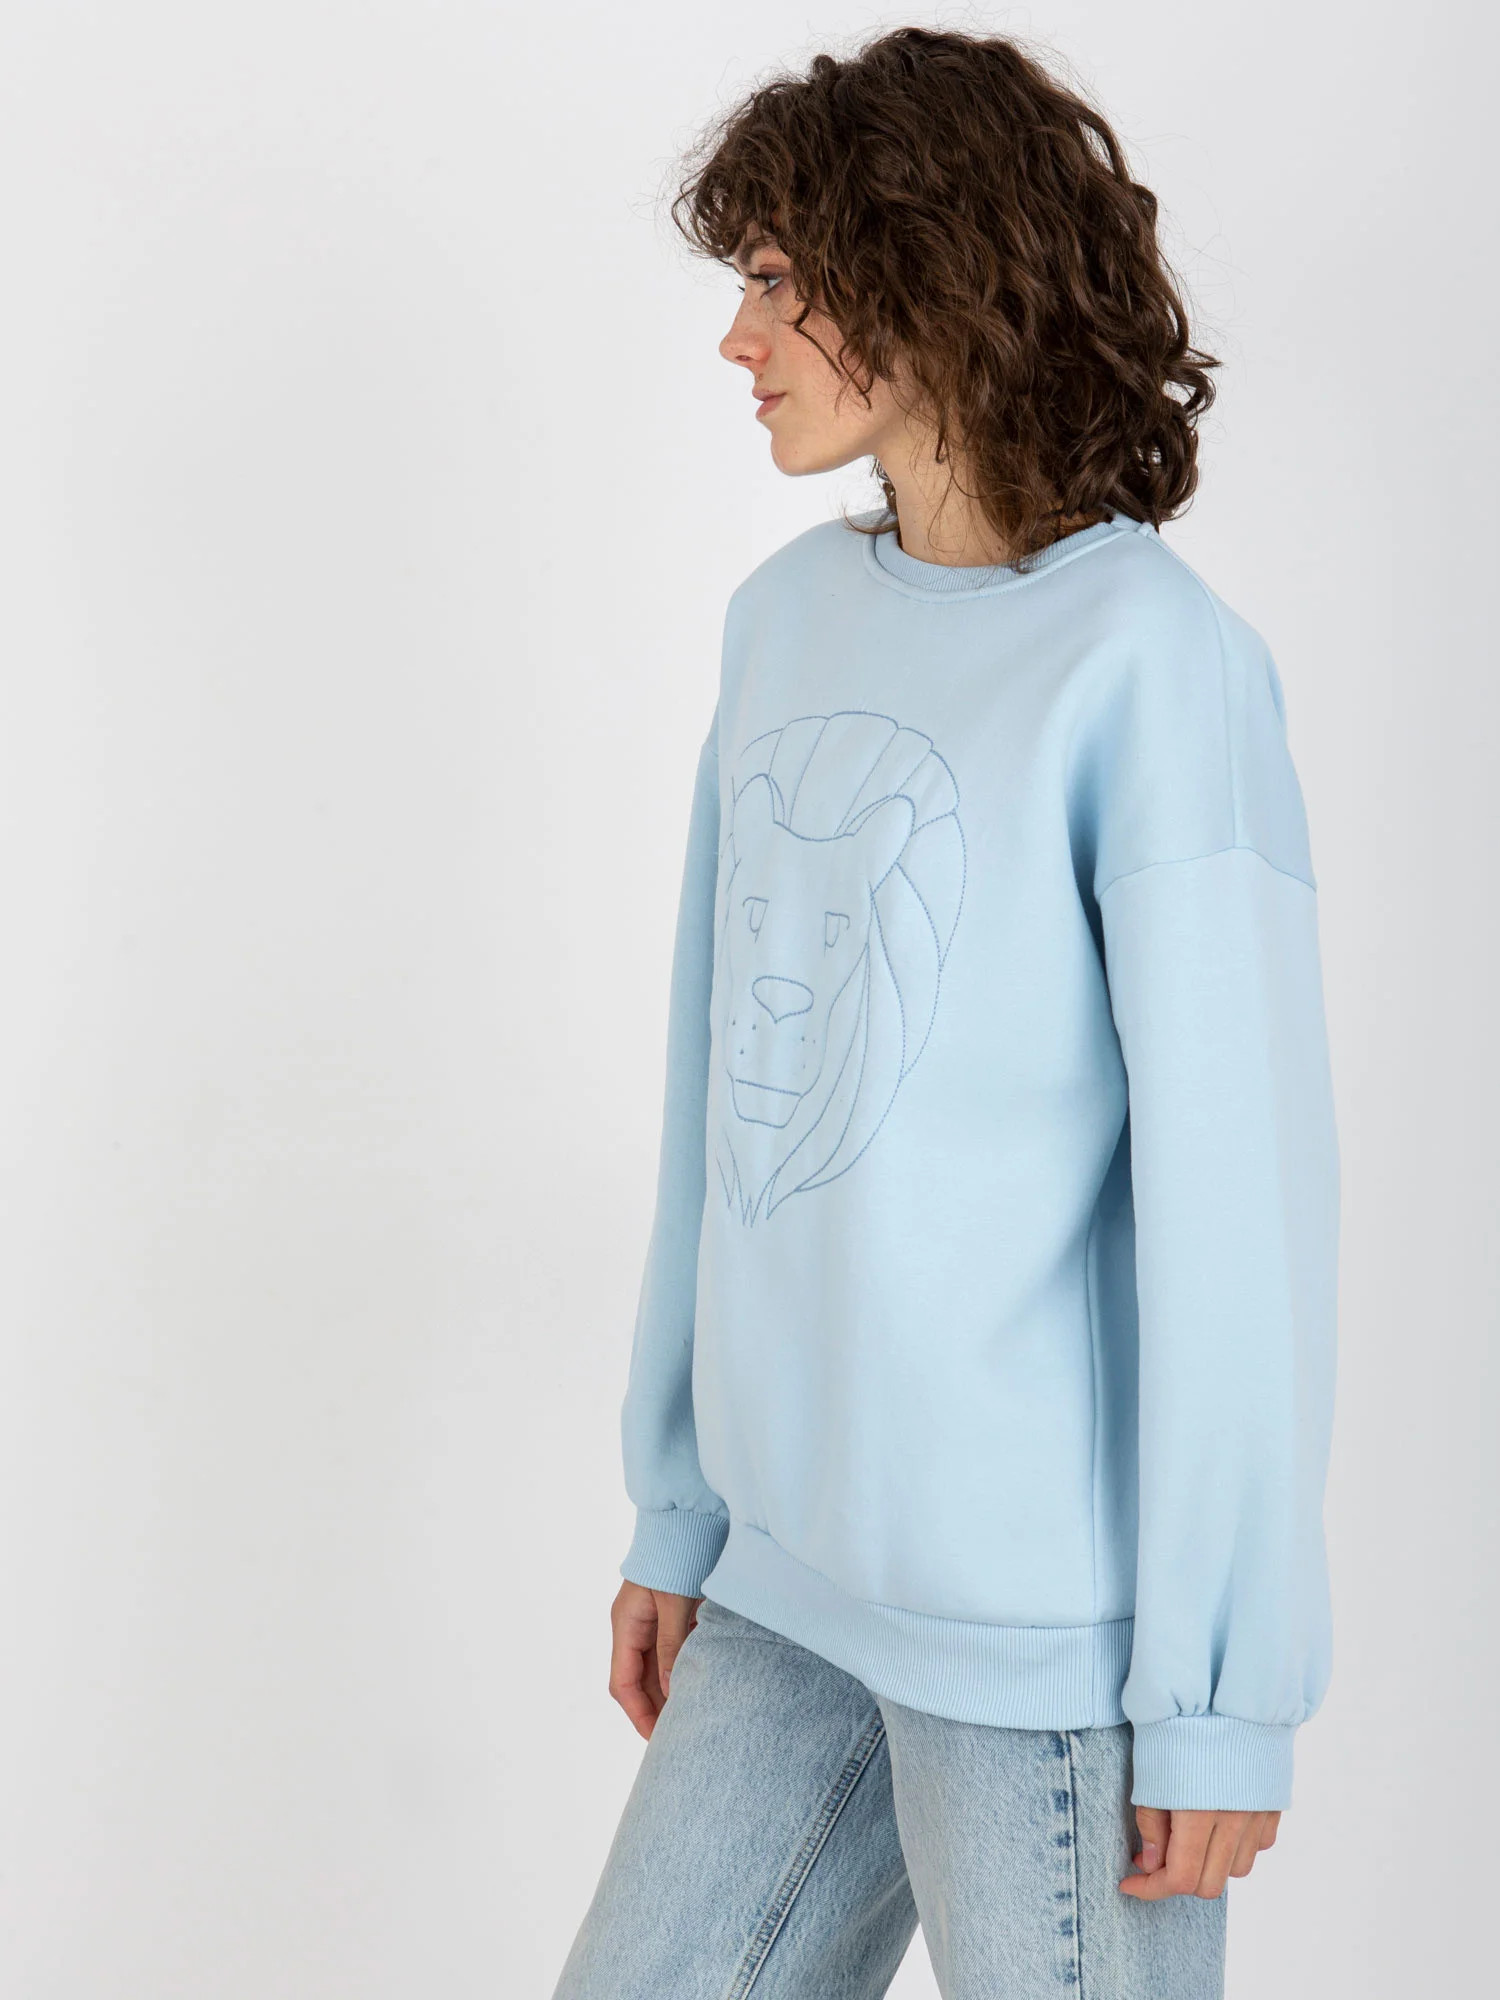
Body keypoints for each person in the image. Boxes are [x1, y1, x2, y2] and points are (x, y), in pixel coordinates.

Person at [551, 25, 1338, 2000]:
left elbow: (1238, 1211)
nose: (738, 337)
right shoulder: (781, 625)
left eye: (777, 278)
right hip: (784, 1592)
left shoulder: (1151, 668)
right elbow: (716, 1106)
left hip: (1044, 1651)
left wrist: (1219, 1692)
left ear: (929, 271)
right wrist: (679, 1507)